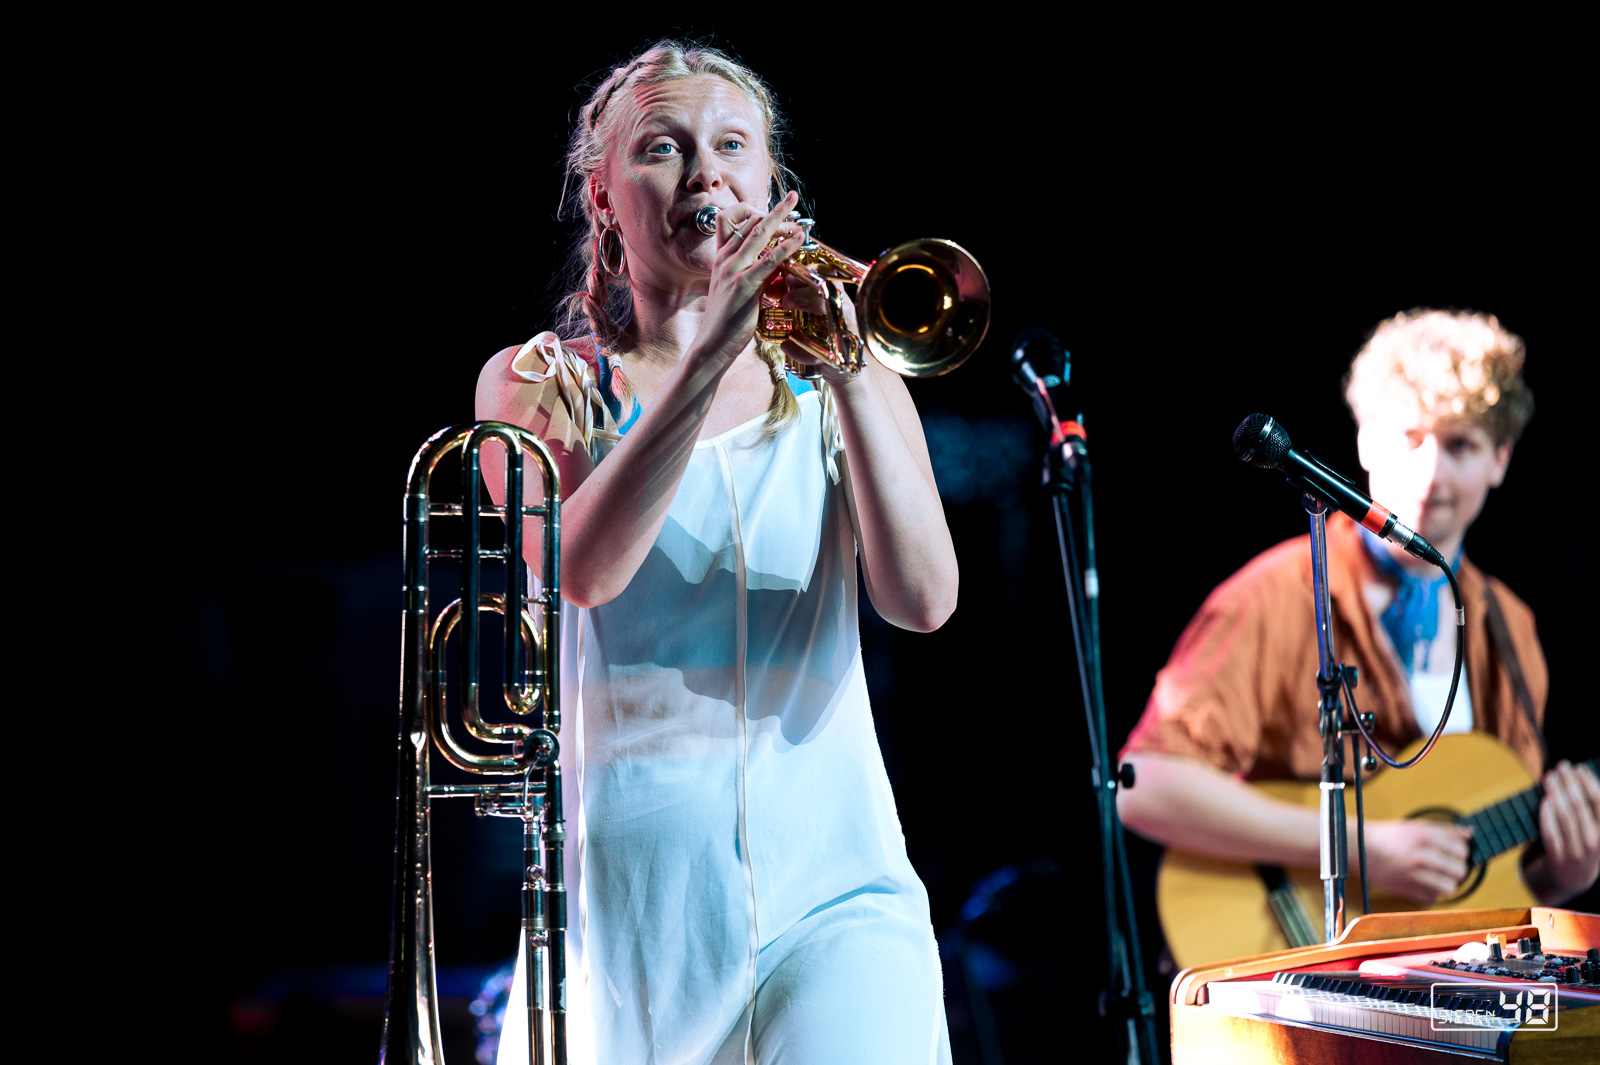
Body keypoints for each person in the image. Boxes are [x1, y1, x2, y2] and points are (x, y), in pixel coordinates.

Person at [474, 41, 956, 1065]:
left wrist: (857, 370)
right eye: (662, 147)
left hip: (837, 891)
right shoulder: (538, 382)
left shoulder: (841, 382)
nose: (705, 173)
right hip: (628, 915)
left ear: (773, 189)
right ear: (602, 199)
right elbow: (585, 573)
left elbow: (921, 599)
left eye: (732, 146)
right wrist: (704, 357)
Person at [1118, 309, 1600, 914]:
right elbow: (1146, 788)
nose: (1432, 474)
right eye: (1411, 438)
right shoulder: (1275, 593)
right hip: (1299, 973)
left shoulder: (1512, 625)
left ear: (1500, 459)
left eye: (1461, 445)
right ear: (1366, 441)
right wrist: (1358, 847)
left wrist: (1562, 875)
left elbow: (1494, 881)